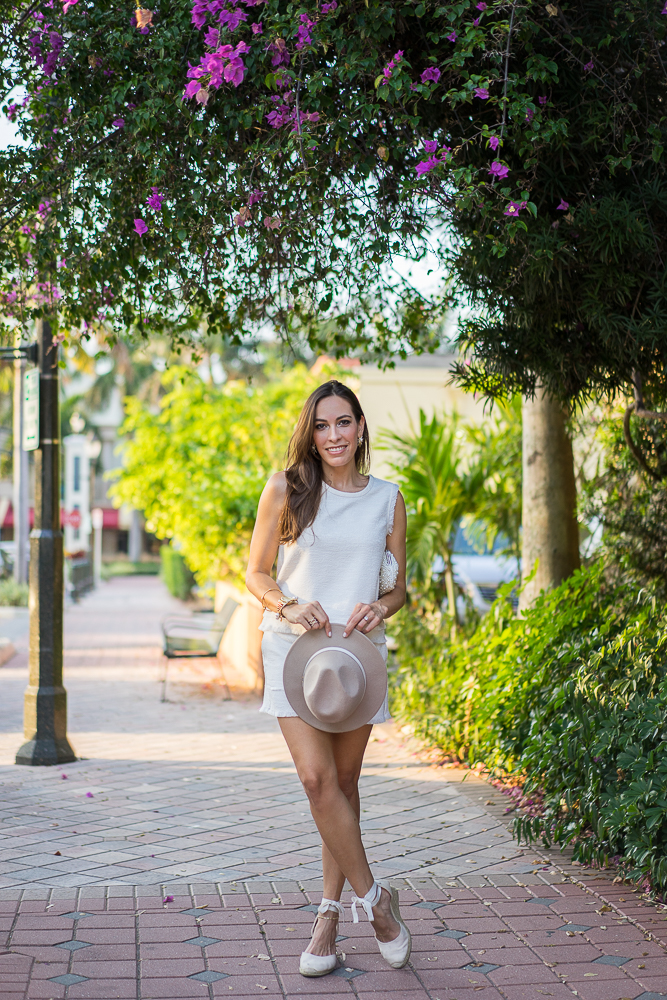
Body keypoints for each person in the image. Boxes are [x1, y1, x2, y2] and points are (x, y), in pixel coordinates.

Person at [245, 379, 411, 977]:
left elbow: (397, 587)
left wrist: (381, 608)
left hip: (356, 662)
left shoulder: (388, 498)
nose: (333, 435)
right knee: (318, 782)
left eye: (343, 423)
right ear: (310, 434)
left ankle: (329, 915)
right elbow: (256, 573)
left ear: (361, 427)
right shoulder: (286, 489)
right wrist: (287, 606)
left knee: (343, 784)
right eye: (322, 425)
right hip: (294, 656)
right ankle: (377, 904)